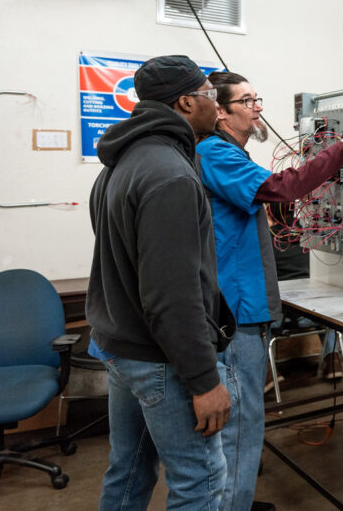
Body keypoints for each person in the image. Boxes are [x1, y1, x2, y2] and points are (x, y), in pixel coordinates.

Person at [196, 71, 343, 511]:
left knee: (241, 420)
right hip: (235, 310)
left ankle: (233, 501)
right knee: (242, 422)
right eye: (247, 100)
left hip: (241, 304)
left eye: (257, 98)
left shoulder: (225, 153)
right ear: (220, 112)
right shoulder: (214, 152)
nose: (258, 107)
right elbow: (282, 187)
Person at [86, 55, 236, 510]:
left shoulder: (118, 164)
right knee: (200, 480)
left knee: (129, 469)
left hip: (122, 348)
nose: (218, 106)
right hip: (161, 360)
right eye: (211, 96)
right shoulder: (170, 174)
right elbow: (172, 295)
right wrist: (204, 381)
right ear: (186, 102)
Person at [265, 200, 343, 380]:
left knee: (255, 321)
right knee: (329, 314)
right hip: (312, 315)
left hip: (279, 319)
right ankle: (333, 361)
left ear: (270, 213)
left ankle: (267, 372)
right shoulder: (311, 237)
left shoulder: (265, 242)